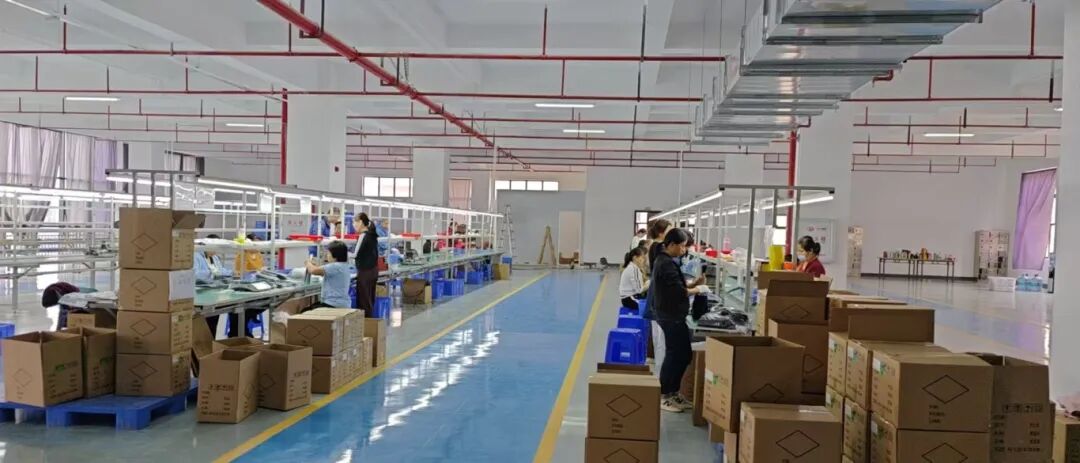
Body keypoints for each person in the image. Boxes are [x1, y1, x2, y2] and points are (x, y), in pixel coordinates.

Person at [651, 228, 707, 413]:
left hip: (672, 314)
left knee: (683, 355)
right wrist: (698, 290)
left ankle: (673, 392)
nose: (684, 250)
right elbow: (678, 292)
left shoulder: (667, 261)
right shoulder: (665, 263)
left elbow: (675, 286)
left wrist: (694, 284)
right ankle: (664, 396)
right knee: (675, 355)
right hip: (670, 316)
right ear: (672, 244)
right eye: (682, 246)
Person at [306, 240, 353, 308]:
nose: (327, 256)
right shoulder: (344, 265)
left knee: (305, 311)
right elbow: (321, 270)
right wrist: (314, 266)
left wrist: (308, 262)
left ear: (335, 255)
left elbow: (313, 271)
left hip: (333, 304)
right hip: (342, 303)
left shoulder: (335, 266)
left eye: (328, 253)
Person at [352, 212, 380, 316]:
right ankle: (369, 320)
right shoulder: (372, 235)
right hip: (373, 270)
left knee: (363, 300)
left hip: (365, 272)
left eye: (354, 222)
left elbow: (355, 254)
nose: (353, 225)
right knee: (369, 298)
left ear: (360, 222)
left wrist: (341, 253)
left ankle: (365, 322)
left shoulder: (364, 235)